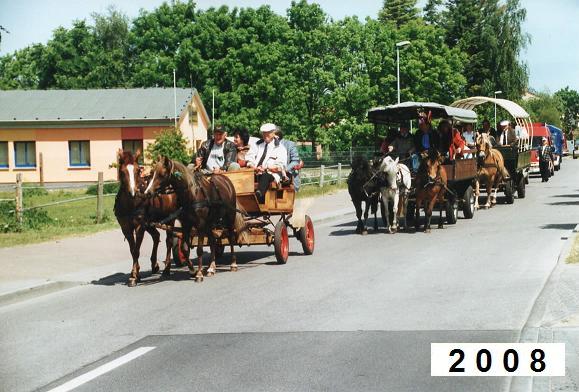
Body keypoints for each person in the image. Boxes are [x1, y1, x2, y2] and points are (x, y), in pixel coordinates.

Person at [246, 123, 288, 202]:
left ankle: (259, 195)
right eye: (263, 133)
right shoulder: (257, 145)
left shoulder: (280, 148)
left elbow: (280, 167)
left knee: (265, 176)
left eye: (268, 133)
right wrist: (254, 168)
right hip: (254, 172)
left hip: (270, 174)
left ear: (273, 133)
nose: (265, 135)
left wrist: (266, 168)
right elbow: (249, 158)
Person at [275, 127, 303, 191]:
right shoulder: (268, 145)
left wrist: (284, 170)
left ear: (277, 136)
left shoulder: (290, 144)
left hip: (289, 178)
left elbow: (295, 161)